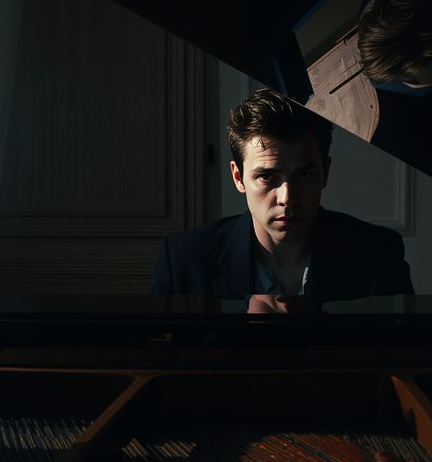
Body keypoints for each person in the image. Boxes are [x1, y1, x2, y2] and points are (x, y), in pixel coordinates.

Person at [151, 88, 413, 302]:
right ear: (238, 177)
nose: (287, 197)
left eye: (305, 175)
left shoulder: (378, 255)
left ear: (325, 172)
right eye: (267, 177)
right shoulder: (185, 260)